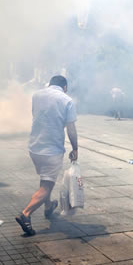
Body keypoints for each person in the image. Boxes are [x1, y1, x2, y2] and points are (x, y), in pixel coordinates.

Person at [16, 75, 78, 236]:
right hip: (52, 150)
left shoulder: (37, 95)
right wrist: (75, 148)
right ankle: (26, 214)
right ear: (65, 87)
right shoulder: (67, 100)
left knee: (45, 178)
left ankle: (48, 205)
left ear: (50, 84)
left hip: (34, 147)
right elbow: (70, 128)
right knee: (47, 185)